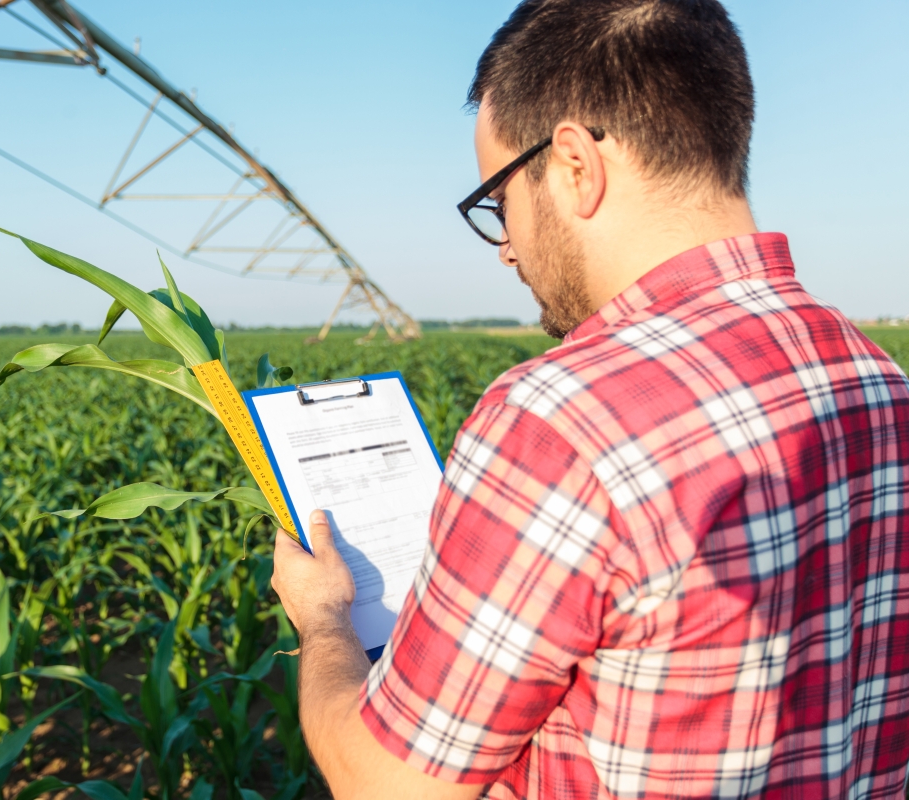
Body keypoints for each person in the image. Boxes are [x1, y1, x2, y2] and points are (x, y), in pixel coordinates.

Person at [270, 0, 909, 798]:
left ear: (574, 165)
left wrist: (323, 620)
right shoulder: (879, 381)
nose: (506, 246)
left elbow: (388, 786)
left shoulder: (559, 421)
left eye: (500, 202)